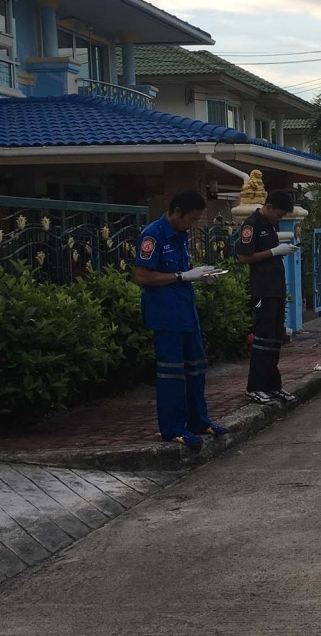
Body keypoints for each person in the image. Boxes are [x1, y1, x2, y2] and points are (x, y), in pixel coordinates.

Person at [133, 190, 228, 450]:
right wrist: (182, 276)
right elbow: (143, 276)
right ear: (177, 212)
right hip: (166, 315)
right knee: (172, 373)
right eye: (192, 219)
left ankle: (198, 420)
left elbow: (181, 272)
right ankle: (173, 427)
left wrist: (198, 275)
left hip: (186, 311)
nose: (194, 224)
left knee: (196, 368)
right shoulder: (153, 235)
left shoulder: (181, 234)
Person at [236, 189, 302, 405]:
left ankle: (273, 385)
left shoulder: (270, 226)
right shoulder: (252, 225)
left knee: (275, 340)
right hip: (263, 290)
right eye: (279, 215)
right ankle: (255, 386)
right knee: (262, 340)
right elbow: (243, 257)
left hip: (276, 290)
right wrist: (274, 252)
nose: (279, 219)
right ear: (270, 207)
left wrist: (282, 250)